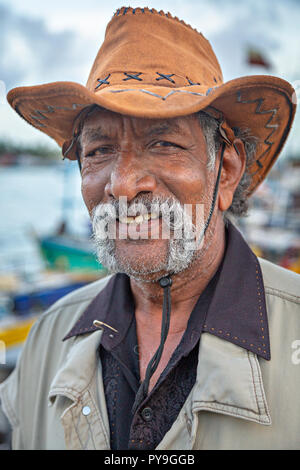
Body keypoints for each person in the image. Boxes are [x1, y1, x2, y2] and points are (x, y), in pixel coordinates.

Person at [1, 7, 300, 450]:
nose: (122, 184)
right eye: (99, 150)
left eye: (163, 144)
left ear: (227, 169)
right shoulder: (49, 337)